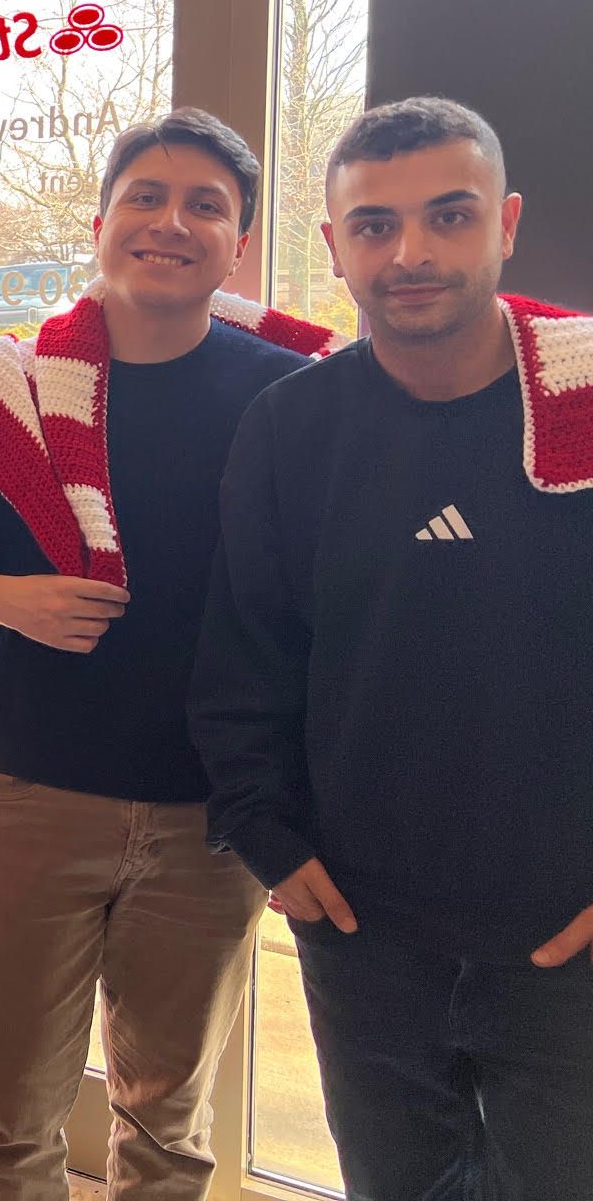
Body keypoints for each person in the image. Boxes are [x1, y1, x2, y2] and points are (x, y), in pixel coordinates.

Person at [0, 109, 334, 1200]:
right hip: (32, 797)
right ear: (99, 223)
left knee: (168, 1118)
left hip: (212, 816)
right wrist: (1, 598)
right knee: (11, 1111)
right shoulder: (5, 389)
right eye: (145, 196)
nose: (169, 222)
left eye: (204, 206)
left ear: (238, 244)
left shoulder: (291, 395)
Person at [190, 96, 593, 1201]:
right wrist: (268, 838)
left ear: (507, 222)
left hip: (567, 941)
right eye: (375, 225)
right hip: (363, 935)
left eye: (449, 216)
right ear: (335, 246)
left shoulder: (583, 401)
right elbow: (246, 656)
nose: (411, 252)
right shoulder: (290, 426)